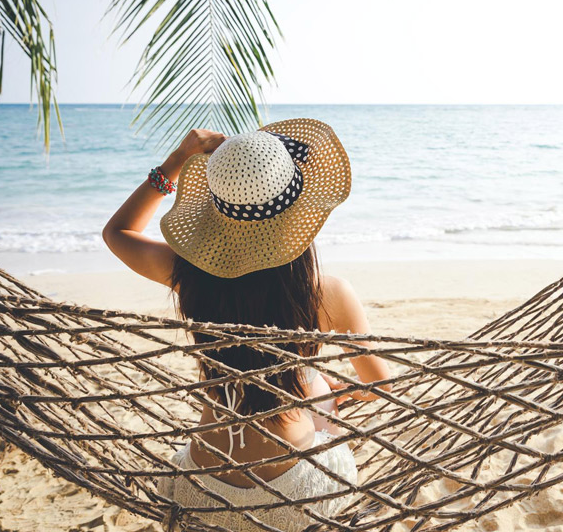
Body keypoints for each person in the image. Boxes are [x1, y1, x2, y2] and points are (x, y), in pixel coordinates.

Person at [102, 119, 390, 530]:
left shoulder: (187, 273)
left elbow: (117, 232)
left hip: (201, 488)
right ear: (302, 211)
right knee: (315, 385)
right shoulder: (327, 293)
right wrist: (332, 391)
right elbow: (379, 387)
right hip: (297, 491)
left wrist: (177, 159)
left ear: (216, 207)